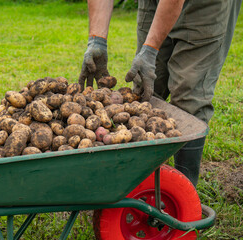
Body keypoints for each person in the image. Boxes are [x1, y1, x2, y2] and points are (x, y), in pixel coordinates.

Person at [79, 0, 242, 187]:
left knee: (188, 92)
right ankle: (142, 182)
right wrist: (97, 41)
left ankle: (182, 192)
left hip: (206, 5)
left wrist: (149, 51)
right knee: (146, 88)